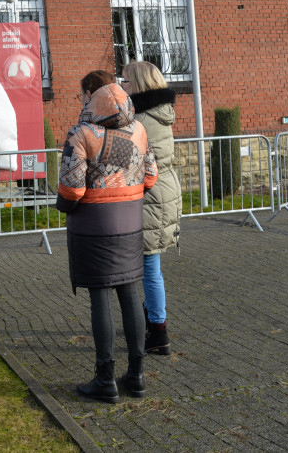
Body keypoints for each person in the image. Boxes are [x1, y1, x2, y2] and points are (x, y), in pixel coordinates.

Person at [56, 70, 158, 403]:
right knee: (130, 295)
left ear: (92, 97)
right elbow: (151, 177)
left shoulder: (81, 133)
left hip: (94, 228)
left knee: (100, 298)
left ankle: (105, 378)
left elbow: (73, 189)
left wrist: (63, 204)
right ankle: (137, 375)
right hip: (130, 225)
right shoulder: (139, 130)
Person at [122, 60, 182, 356]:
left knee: (149, 266)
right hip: (162, 192)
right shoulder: (160, 113)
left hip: (152, 195)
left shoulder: (142, 119)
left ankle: (158, 331)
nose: (122, 87)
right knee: (150, 265)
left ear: (138, 85)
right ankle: (151, 321)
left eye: (125, 82)